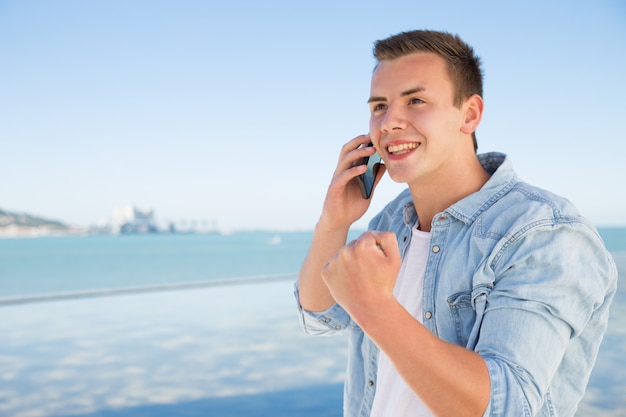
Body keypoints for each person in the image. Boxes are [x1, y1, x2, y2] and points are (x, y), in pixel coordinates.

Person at [295, 29, 617, 417]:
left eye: (416, 101)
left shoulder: (544, 232)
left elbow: (507, 406)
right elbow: (321, 314)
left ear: (470, 114)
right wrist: (333, 223)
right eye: (379, 106)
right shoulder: (392, 220)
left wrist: (376, 306)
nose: (390, 121)